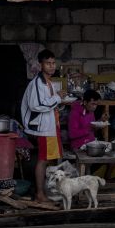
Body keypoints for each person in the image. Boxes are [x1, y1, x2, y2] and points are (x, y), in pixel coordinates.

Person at [20, 49, 70, 203]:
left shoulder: (48, 82)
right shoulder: (37, 83)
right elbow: (37, 105)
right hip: (42, 128)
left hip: (50, 125)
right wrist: (57, 98)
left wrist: (59, 100)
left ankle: (44, 190)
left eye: (53, 63)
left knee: (47, 159)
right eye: (48, 63)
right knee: (43, 159)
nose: (51, 66)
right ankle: (40, 194)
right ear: (40, 65)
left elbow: (49, 104)